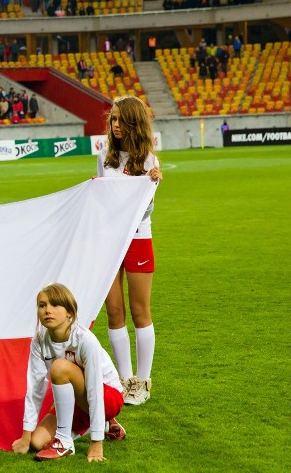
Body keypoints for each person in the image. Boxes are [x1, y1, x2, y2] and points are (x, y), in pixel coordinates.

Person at [12, 282, 125, 462]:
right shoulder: (39, 342)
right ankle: (105, 425)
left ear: (69, 313)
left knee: (59, 367)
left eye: (55, 304)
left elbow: (95, 390)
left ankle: (64, 442)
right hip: (79, 400)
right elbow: (35, 388)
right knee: (37, 442)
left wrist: (96, 443)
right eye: (42, 305)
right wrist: (26, 436)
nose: (47, 310)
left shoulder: (85, 339)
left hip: (108, 397)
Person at [97, 96, 162, 406]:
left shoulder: (149, 161)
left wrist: (150, 188)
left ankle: (144, 380)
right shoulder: (105, 158)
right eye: (112, 119)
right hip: (108, 241)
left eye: (121, 119)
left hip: (137, 239)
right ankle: (126, 381)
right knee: (114, 311)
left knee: (139, 312)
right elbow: (101, 202)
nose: (116, 125)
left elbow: (146, 211)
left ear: (135, 122)